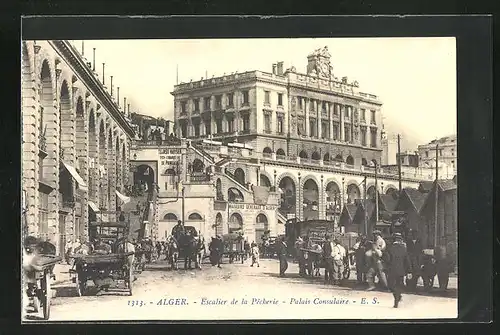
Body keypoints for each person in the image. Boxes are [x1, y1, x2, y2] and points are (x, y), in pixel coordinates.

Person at [386, 233, 411, 308]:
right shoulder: (404, 249)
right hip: (401, 270)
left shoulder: (390, 248)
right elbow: (407, 260)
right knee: (398, 285)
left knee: (391, 285)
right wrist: (409, 271)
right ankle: (398, 298)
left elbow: (387, 259)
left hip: (392, 270)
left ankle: (397, 298)